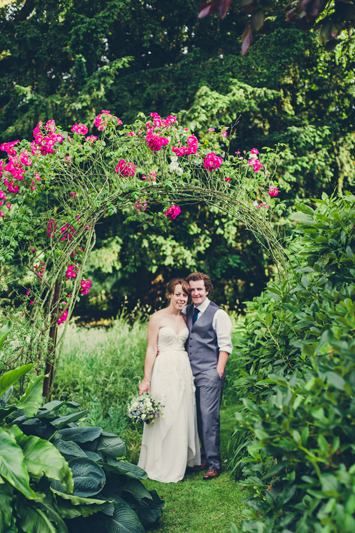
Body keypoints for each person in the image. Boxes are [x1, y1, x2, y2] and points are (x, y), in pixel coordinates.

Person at [137, 278, 201, 483]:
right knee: (165, 413)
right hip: (163, 367)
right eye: (178, 294)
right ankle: (159, 462)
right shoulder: (156, 318)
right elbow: (150, 349)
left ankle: (179, 461)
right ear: (169, 295)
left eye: (184, 294)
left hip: (182, 367)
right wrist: (146, 379)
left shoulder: (187, 318)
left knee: (182, 412)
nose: (182, 298)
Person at [183, 272, 232, 480]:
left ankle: (214, 463)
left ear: (207, 290)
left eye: (199, 289)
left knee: (209, 418)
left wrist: (217, 372)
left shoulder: (218, 314)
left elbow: (225, 346)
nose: (195, 293)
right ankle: (202, 458)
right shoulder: (186, 311)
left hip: (210, 372)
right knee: (195, 418)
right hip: (187, 373)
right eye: (192, 289)